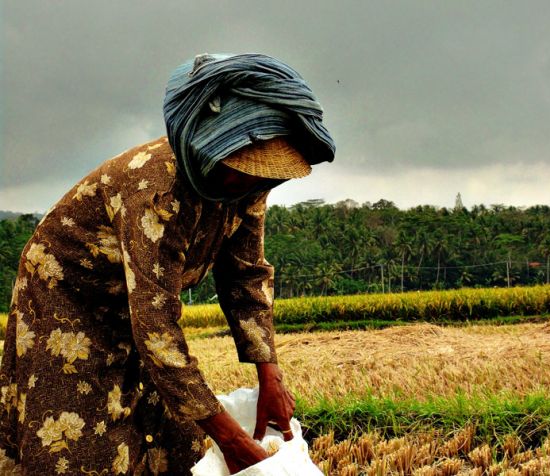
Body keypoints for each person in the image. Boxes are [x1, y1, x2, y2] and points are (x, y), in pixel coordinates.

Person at [0, 53, 335, 474]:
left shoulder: (248, 187)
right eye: (245, 171)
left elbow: (246, 277)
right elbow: (156, 330)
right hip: (69, 301)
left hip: (136, 303)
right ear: (210, 152)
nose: (255, 184)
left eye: (265, 176)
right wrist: (230, 438)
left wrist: (271, 376)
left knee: (171, 435)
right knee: (85, 441)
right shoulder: (155, 190)